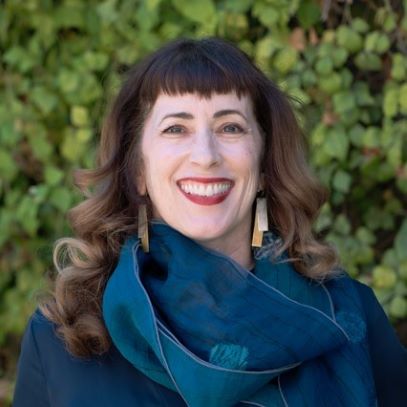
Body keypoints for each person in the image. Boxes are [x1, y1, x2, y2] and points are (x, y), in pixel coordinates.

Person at [13, 37, 406, 407]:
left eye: (230, 127)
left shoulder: (347, 315)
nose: (205, 155)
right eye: (176, 129)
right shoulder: (62, 337)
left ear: (265, 164)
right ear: (138, 171)